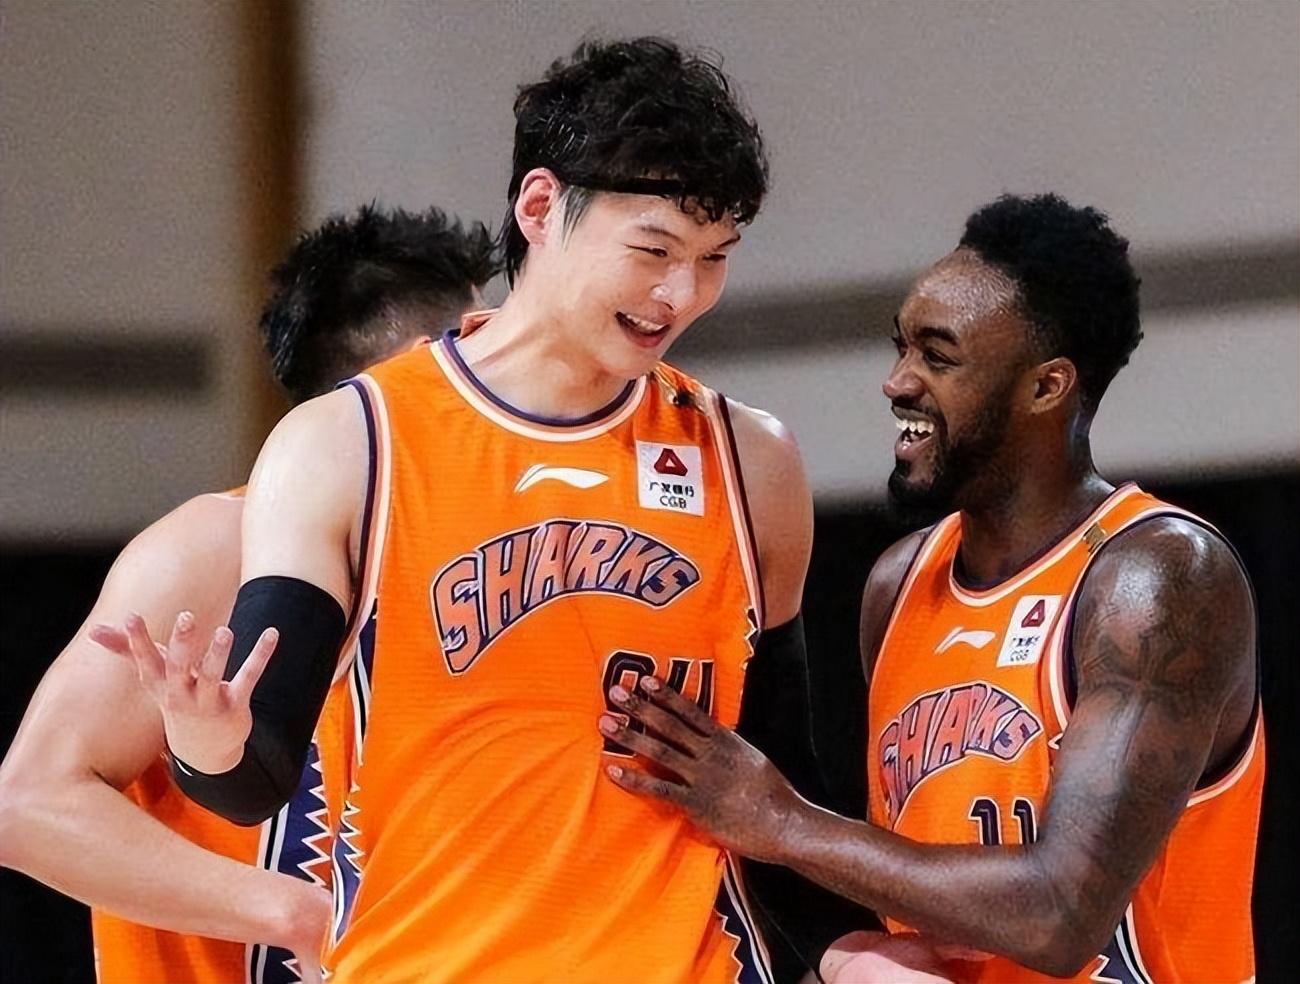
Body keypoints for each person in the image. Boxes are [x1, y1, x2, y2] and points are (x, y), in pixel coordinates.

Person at [96, 37, 844, 983]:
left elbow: (784, 792)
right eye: (653, 250)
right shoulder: (349, 443)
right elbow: (255, 775)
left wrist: (852, 954)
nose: (681, 294)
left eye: (714, 258)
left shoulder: (751, 461)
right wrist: (205, 739)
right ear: (539, 208)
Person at [603, 194, 1263, 983]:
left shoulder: (1156, 579)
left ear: (1046, 387)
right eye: (902, 348)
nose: (897, 382)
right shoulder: (900, 583)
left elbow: (1060, 915)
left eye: (938, 358)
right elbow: (899, 889)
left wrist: (782, 821)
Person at [0, 203, 496, 984]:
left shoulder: (494, 560)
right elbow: (30, 805)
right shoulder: (217, 543)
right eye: (489, 342)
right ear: (429, 358)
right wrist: (298, 913)